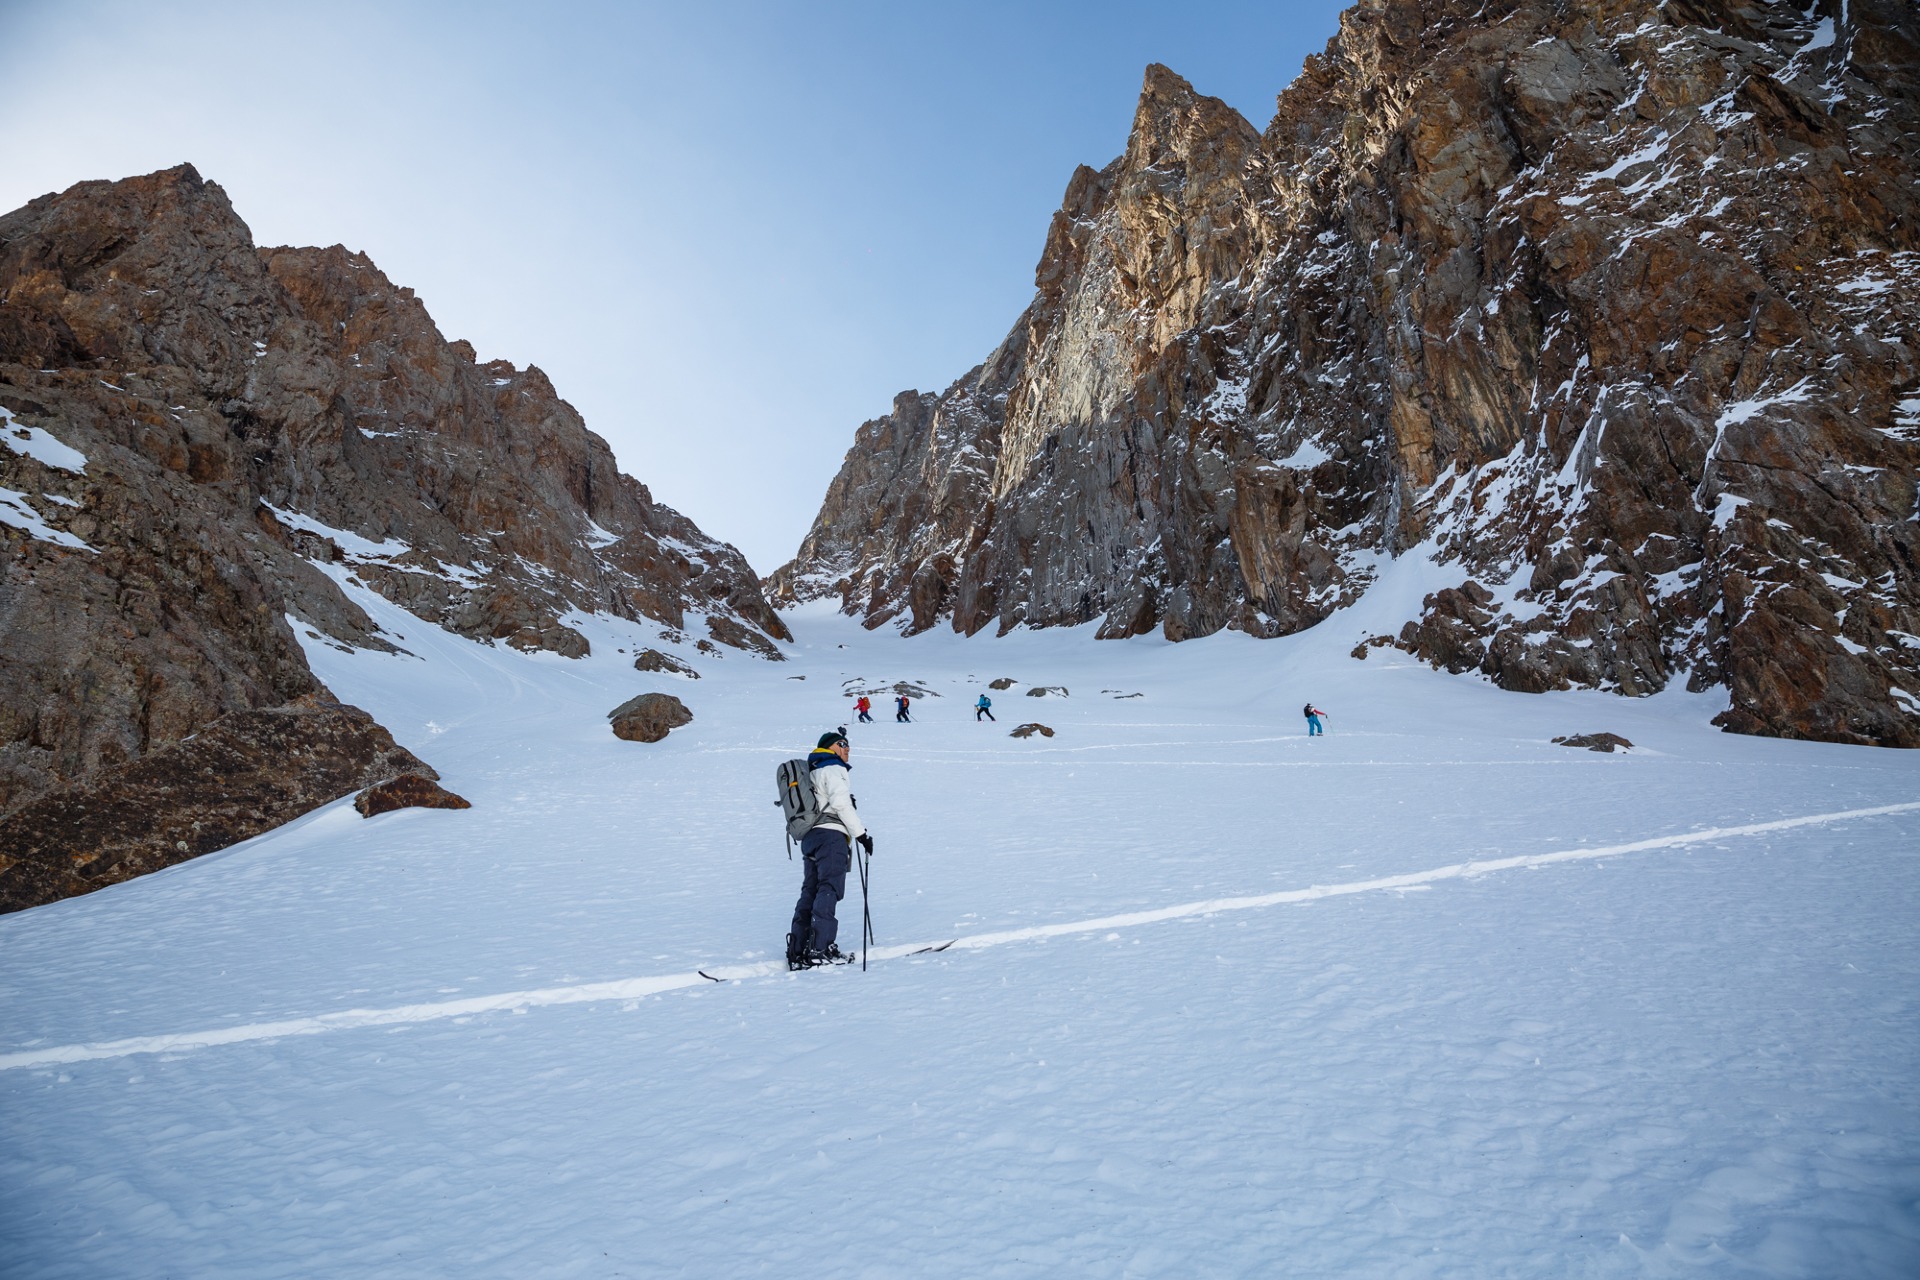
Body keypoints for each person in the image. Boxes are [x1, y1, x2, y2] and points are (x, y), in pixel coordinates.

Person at [788, 731, 872, 967]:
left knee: (811, 890)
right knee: (829, 888)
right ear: (830, 747)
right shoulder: (834, 768)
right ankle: (820, 949)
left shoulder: (813, 769)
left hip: (811, 836)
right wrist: (862, 834)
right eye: (842, 744)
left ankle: (798, 948)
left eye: (848, 745)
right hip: (831, 835)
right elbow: (841, 804)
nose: (847, 749)